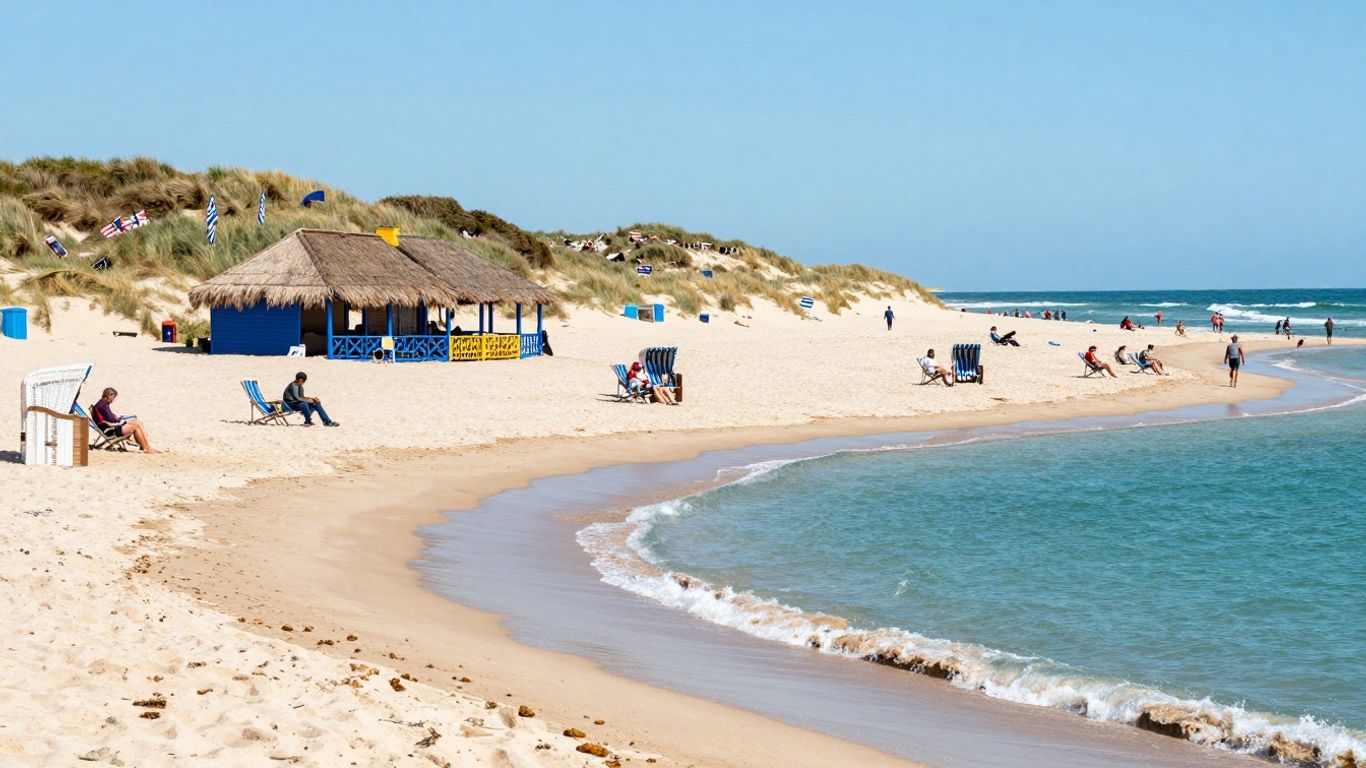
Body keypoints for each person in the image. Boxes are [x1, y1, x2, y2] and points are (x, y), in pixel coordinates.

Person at [91, 387, 161, 454]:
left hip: (109, 428)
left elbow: (109, 416)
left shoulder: (101, 403)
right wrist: (119, 420)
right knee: (136, 424)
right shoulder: (103, 405)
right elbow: (110, 419)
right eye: (113, 397)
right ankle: (146, 448)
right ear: (109, 395)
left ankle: (146, 446)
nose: (113, 400)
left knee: (138, 422)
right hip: (111, 431)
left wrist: (117, 418)